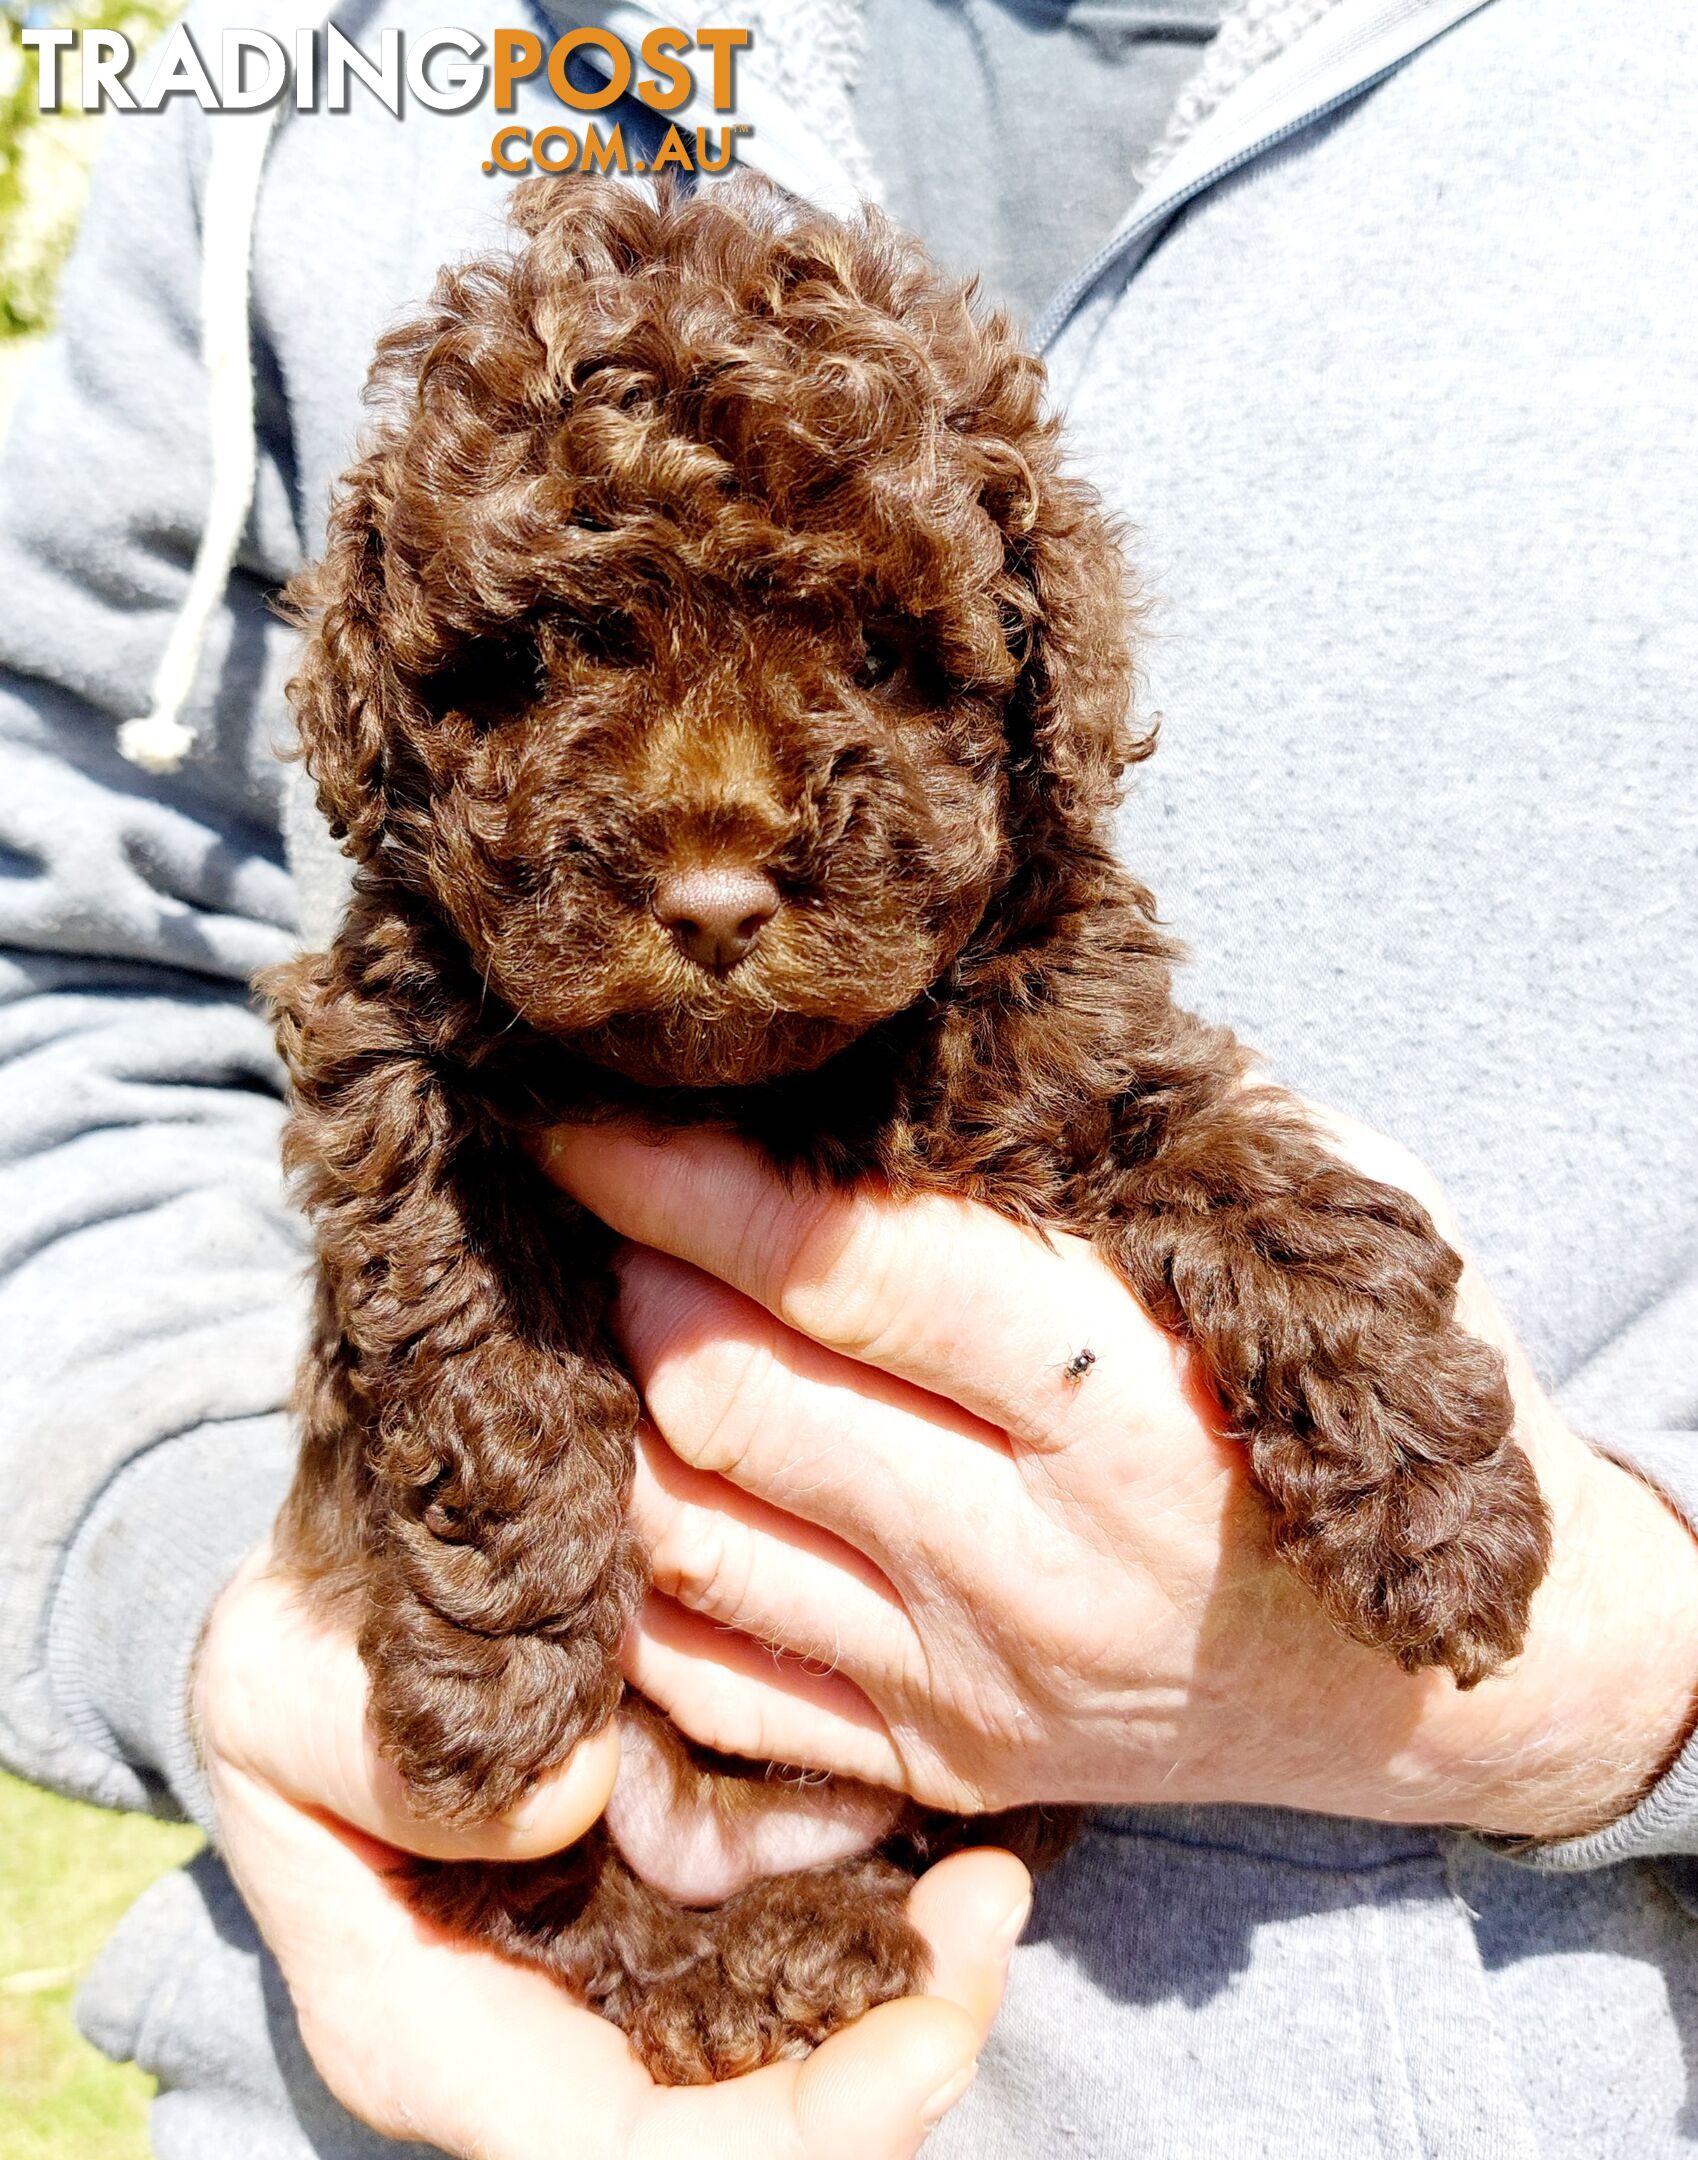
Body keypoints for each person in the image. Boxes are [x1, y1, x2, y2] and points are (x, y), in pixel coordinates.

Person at [2, 1, 1695, 2155]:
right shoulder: (312, 74)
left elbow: (1180, 1143)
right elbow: (61, 966)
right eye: (564, 658)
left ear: (1041, 708)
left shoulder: (1042, 974)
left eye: (880, 664)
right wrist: (215, 1607)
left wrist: (1617, 1677)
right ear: (393, 710)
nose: (713, 841)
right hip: (402, 2057)